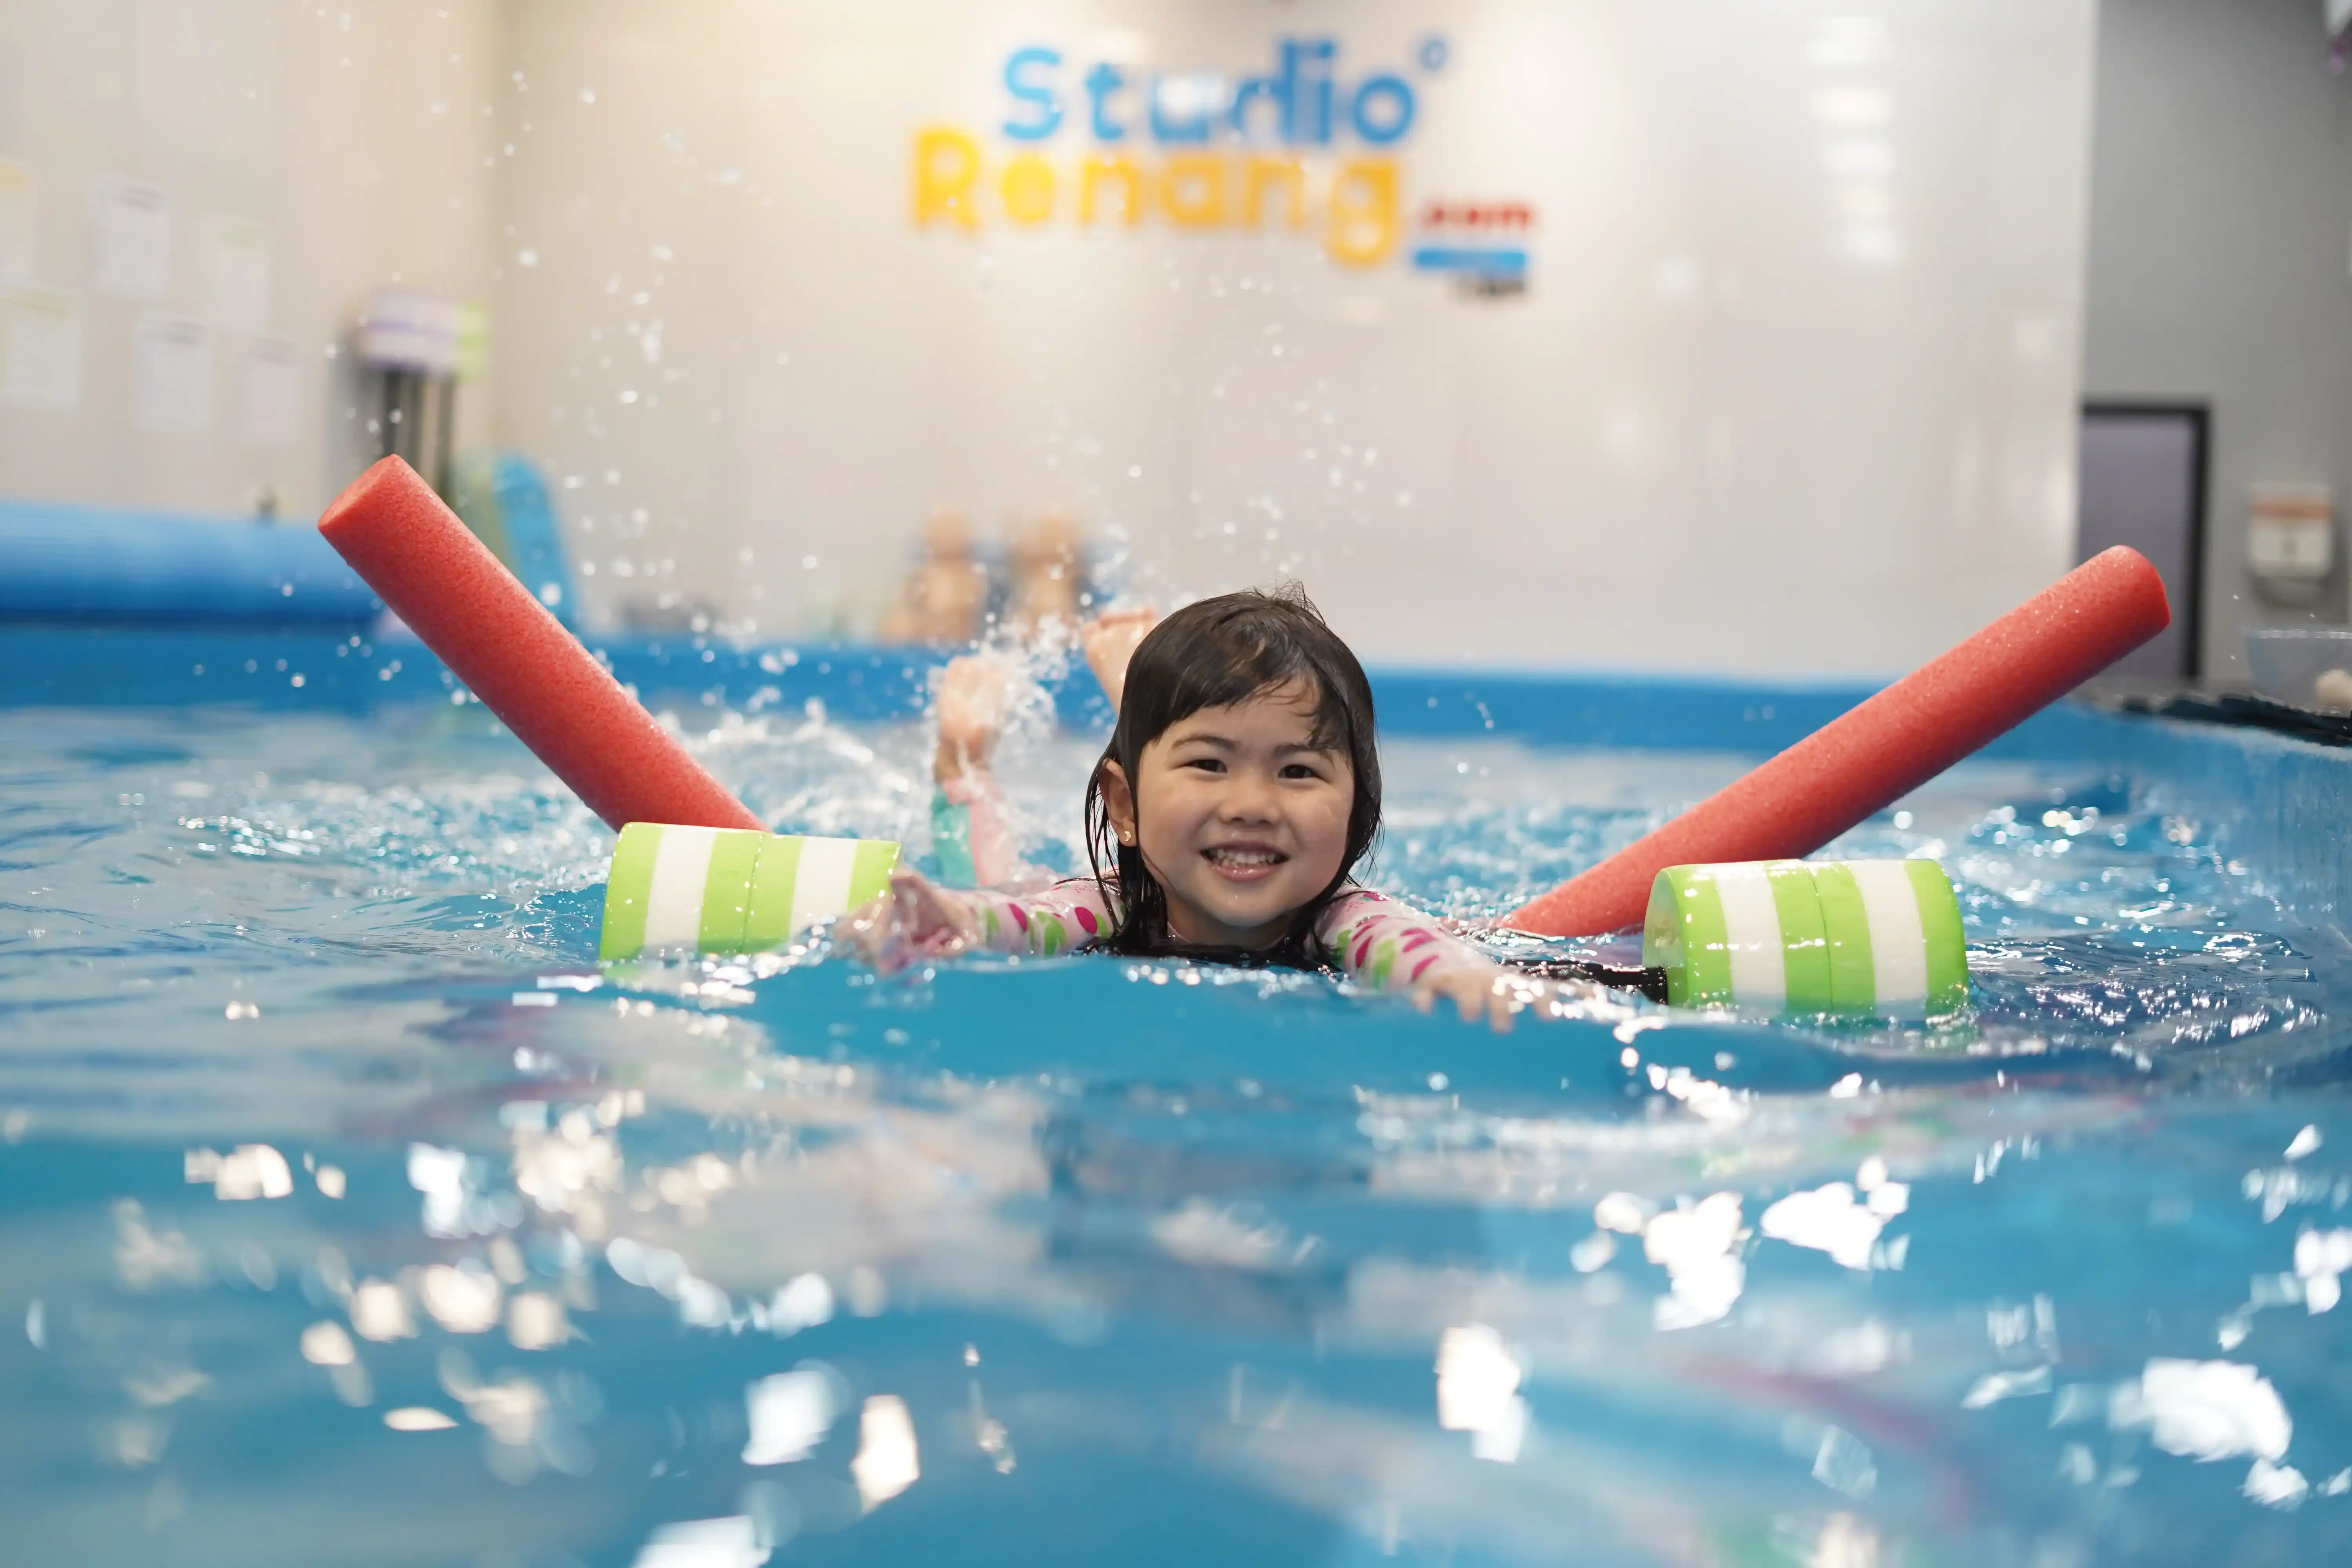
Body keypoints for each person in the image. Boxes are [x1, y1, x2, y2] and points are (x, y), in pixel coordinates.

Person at [849, 585, 1602, 1030]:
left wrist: (1467, 976)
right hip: (1125, 846)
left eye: (1298, 772)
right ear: (1121, 806)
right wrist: (950, 915)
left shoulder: (1344, 918)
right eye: (1212, 765)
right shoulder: (1105, 908)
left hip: (1163, 812)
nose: (1253, 806)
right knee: (996, 870)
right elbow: (1014, 920)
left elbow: (1410, 947)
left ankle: (1161, 724)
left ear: (1357, 811)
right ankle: (965, 759)